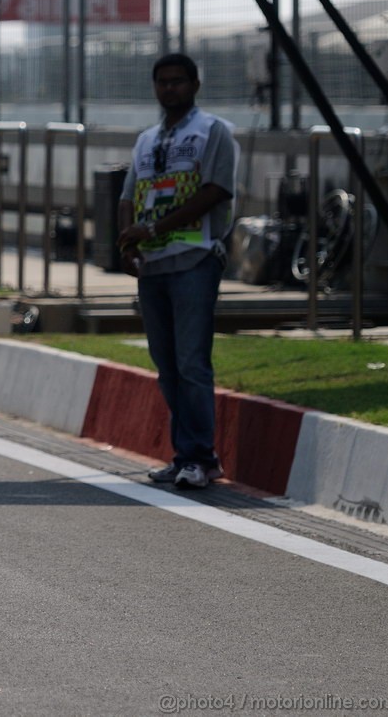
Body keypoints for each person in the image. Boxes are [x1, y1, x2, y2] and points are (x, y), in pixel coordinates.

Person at [116, 53, 238, 491]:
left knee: (191, 363)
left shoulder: (212, 132)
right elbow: (129, 195)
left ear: (195, 84)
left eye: (178, 81)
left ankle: (200, 457)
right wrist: (128, 243)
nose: (170, 89)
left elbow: (215, 190)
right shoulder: (147, 140)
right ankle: (184, 454)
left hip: (194, 259)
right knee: (166, 366)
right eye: (162, 82)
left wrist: (154, 227)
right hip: (153, 265)